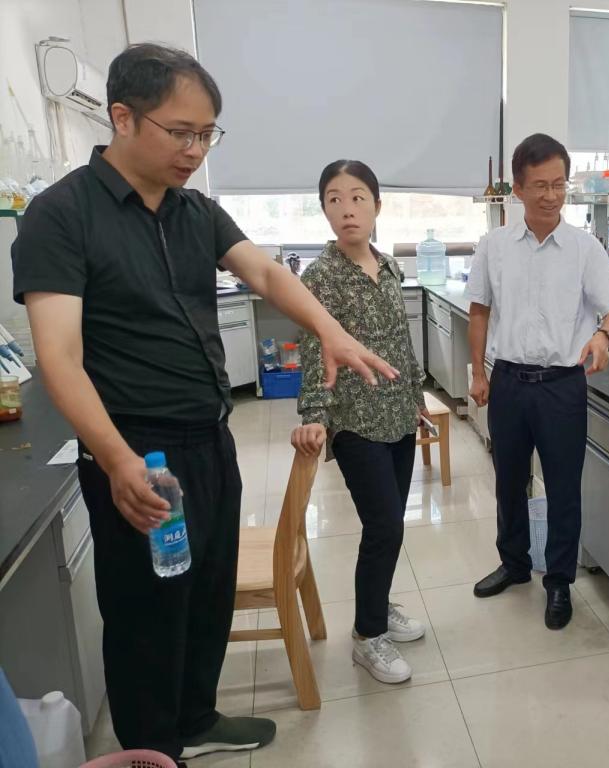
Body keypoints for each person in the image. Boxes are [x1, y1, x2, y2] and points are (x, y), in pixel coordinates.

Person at [11, 45, 398, 765]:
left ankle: (194, 717)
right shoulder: (61, 215)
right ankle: (151, 748)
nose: (195, 150)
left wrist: (331, 330)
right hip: (139, 448)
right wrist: (117, 460)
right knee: (146, 607)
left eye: (207, 134)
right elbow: (59, 356)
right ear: (122, 117)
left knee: (208, 588)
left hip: (209, 437)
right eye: (181, 132)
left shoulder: (195, 211)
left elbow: (266, 275)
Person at [467, 133, 609, 629]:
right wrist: (478, 372)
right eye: (540, 185)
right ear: (517, 189)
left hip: (562, 387)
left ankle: (559, 581)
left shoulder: (584, 248)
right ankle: (514, 564)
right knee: (508, 481)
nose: (551, 195)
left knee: (563, 488)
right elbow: (479, 310)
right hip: (509, 382)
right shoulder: (494, 247)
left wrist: (603, 336)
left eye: (559, 184)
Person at [291, 160, 429, 684]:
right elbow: (313, 350)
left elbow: (400, 339)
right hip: (355, 422)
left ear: (376, 206)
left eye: (357, 198)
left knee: (391, 527)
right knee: (384, 525)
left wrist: (416, 395)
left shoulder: (388, 266)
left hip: (399, 415)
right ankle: (368, 637)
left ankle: (378, 604)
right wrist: (314, 416)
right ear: (324, 209)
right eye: (334, 199)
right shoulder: (320, 277)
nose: (347, 209)